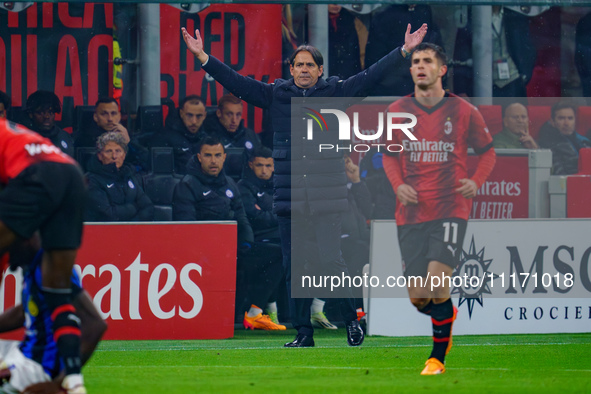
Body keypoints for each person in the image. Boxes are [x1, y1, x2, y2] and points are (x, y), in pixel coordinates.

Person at [182, 21, 428, 348]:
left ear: (320, 70)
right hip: (290, 200)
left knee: (332, 262)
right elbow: (237, 83)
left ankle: (354, 319)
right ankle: (303, 332)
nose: (303, 69)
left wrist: (404, 51)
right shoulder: (275, 94)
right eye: (298, 64)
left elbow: (372, 75)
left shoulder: (336, 92)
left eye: (309, 65)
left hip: (327, 200)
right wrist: (204, 58)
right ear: (291, 69)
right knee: (293, 266)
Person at [382, 43, 496, 375]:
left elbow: (488, 153)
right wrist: (398, 186)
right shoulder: (397, 110)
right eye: (415, 61)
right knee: (420, 298)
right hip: (411, 213)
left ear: (441, 69)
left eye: (427, 61)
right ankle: (445, 314)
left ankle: (436, 359)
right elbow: (389, 155)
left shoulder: (463, 110)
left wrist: (476, 181)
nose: (420, 66)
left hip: (450, 208)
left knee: (436, 284)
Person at [0, 118, 89, 392]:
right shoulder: (12, 130)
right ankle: (74, 379)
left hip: (38, 173)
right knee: (57, 290)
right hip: (73, 175)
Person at [173, 136, 285, 330]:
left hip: (232, 250)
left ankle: (254, 314)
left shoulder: (230, 184)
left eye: (217, 155)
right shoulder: (187, 185)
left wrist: (246, 243)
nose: (213, 160)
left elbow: (242, 218)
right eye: (208, 155)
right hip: (202, 253)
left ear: (225, 157)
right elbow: (187, 229)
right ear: (199, 157)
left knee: (279, 254)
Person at [0, 248, 106, 394]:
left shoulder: (51, 268)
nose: (9, 261)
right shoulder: (32, 266)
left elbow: (95, 324)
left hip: (40, 369)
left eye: (9, 247)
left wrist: (58, 382)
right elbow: (25, 312)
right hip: (24, 357)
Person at [237, 147, 286, 328]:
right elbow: (254, 218)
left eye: (268, 165)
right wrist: (277, 214)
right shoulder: (243, 187)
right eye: (259, 165)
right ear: (251, 165)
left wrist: (270, 213)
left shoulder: (279, 185)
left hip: (278, 239)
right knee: (282, 254)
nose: (264, 170)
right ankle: (258, 313)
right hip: (253, 242)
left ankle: (309, 312)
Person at [453, 6, 537, 99]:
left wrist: (524, 75)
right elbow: (460, 55)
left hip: (512, 81)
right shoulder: (470, 17)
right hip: (481, 83)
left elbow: (527, 48)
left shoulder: (515, 15)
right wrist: (461, 90)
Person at [364, 4, 443, 96]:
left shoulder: (427, 14)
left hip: (424, 93)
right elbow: (374, 65)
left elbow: (439, 55)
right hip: (389, 94)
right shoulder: (384, 18)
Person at [85, 132, 154, 222]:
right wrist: (133, 208)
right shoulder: (91, 180)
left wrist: (133, 226)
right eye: (108, 151)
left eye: (118, 151)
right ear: (100, 156)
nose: (114, 156)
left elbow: (148, 207)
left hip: (133, 232)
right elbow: (108, 215)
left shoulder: (129, 176)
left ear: (124, 155)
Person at [75, 97, 149, 173]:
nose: (110, 119)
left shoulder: (126, 135)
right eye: (104, 114)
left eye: (113, 114)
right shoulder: (84, 139)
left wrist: (129, 142)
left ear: (119, 116)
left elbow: (145, 162)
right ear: (96, 117)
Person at [202, 94, 262, 177]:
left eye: (238, 115)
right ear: (219, 113)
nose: (234, 120)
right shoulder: (206, 135)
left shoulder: (250, 136)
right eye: (229, 114)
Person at [146, 95, 208, 175]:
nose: (194, 121)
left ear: (205, 116)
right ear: (181, 113)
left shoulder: (207, 140)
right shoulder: (163, 139)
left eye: (199, 116)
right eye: (189, 115)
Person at [538, 101, 591, 175]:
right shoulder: (547, 145)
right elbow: (560, 174)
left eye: (570, 118)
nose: (566, 123)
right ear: (552, 121)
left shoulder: (585, 141)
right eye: (561, 118)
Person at [25, 90, 75, 157]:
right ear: (31, 114)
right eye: (40, 113)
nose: (47, 116)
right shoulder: (24, 138)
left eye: (50, 112)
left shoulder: (65, 137)